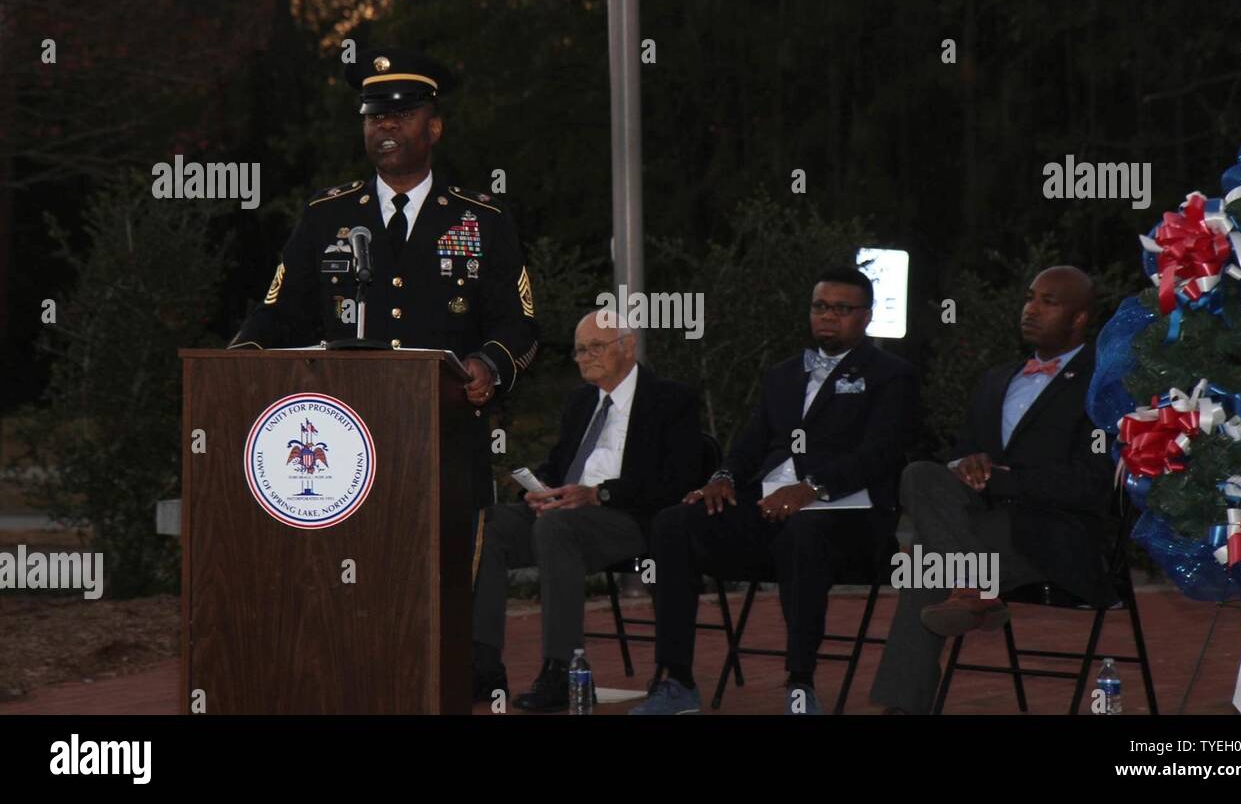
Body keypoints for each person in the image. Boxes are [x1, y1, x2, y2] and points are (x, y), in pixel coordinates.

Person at [229, 47, 540, 512]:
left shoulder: (481, 219)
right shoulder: (326, 214)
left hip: (444, 430)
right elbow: (281, 312)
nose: (386, 126)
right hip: (343, 433)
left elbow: (520, 324)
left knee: (445, 571)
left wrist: (488, 365)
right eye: (375, 117)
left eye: (403, 114)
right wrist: (239, 359)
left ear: (434, 128)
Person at [631, 267, 920, 715]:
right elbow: (748, 446)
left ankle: (800, 682)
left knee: (805, 532)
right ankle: (678, 681)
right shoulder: (783, 375)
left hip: (849, 518)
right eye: (820, 307)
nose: (828, 317)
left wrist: (810, 488)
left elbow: (881, 453)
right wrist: (722, 479)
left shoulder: (891, 375)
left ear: (867, 316)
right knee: (674, 523)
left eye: (842, 309)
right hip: (769, 508)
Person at [870, 265, 1116, 715]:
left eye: (1048, 301)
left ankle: (903, 706)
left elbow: (1092, 484)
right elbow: (963, 452)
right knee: (921, 474)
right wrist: (966, 464)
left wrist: (1002, 478)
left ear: (1080, 318)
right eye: (1029, 297)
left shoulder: (1103, 384)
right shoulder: (997, 379)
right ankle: (974, 587)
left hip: (1050, 535)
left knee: (928, 562)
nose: (1031, 308)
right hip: (979, 529)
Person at [472, 311, 701, 712]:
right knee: (491, 523)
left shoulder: (671, 400)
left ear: (628, 347)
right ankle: (485, 664)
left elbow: (676, 481)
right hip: (568, 513)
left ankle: (563, 669)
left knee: (558, 528)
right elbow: (560, 462)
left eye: (596, 347)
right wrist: (541, 488)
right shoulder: (581, 402)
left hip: (631, 517)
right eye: (579, 350)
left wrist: (600, 495)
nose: (585, 357)